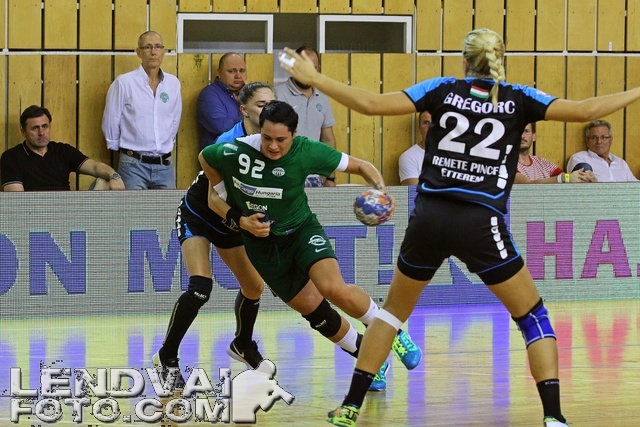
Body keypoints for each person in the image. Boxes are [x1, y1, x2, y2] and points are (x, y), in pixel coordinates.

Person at [281, 27, 640, 427]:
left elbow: (369, 104)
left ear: (464, 61)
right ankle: (554, 417)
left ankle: (350, 406)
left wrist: (315, 78)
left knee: (391, 315)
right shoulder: (518, 98)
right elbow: (588, 110)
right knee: (533, 317)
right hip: (480, 221)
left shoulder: (441, 89)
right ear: (501, 59)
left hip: (429, 218)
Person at [199, 100, 422, 391]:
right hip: (264, 248)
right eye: (267, 138)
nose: (273, 146)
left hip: (301, 232)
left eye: (281, 139)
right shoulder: (232, 151)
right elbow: (207, 169)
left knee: (333, 288)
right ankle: (368, 358)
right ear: (259, 130)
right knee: (314, 310)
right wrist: (239, 218)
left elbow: (361, 165)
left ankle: (392, 331)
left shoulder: (306, 150)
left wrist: (382, 192)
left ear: (294, 134)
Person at [153, 82, 276, 387]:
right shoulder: (228, 143)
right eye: (261, 105)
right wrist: (243, 222)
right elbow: (213, 200)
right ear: (244, 109)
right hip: (201, 215)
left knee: (254, 287)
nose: (269, 110)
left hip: (232, 222)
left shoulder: (276, 144)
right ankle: (166, 356)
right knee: (200, 287)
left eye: (272, 104)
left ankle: (242, 344)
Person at [102, 30, 181, 190]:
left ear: (163, 51)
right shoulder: (124, 82)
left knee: (168, 207)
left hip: (164, 165)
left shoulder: (173, 83)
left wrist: (164, 143)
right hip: (133, 164)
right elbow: (111, 119)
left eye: (158, 47)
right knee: (134, 207)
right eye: (148, 47)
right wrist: (119, 147)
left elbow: (174, 120)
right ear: (138, 52)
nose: (153, 52)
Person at [2, 105, 125, 191]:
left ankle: (91, 221)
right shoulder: (11, 157)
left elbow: (94, 167)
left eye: (45, 126)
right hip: (33, 212)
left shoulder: (63, 150)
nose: (41, 133)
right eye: (35, 128)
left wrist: (114, 175)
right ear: (23, 132)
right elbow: (16, 200)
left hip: (67, 209)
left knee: (105, 179)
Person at [275, 46, 337, 187]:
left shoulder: (323, 97)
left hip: (315, 177)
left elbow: (328, 140)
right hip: (285, 176)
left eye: (313, 68)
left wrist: (330, 177)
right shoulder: (277, 94)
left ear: (318, 68)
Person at [515, 123, 597, 184]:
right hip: (527, 201)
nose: (522, 136)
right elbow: (528, 184)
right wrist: (565, 178)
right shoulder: (508, 163)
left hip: (551, 200)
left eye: (526, 131)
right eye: (518, 131)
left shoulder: (543, 162)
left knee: (584, 169)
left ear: (533, 136)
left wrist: (592, 181)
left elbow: (566, 178)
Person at [197, 52, 247, 149]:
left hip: (246, 154)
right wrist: (250, 117)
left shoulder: (250, 94)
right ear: (219, 73)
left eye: (242, 71)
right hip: (219, 154)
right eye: (232, 71)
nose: (238, 76)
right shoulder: (209, 95)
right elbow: (222, 128)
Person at [566, 119, 639, 182]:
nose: (599, 142)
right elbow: (582, 188)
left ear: (611, 140)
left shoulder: (621, 163)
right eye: (594, 138)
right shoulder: (580, 159)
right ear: (587, 141)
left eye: (604, 137)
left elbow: (635, 187)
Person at [398, 110, 431, 185]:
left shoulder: (453, 154)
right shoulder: (409, 157)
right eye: (426, 123)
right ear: (420, 127)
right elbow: (415, 191)